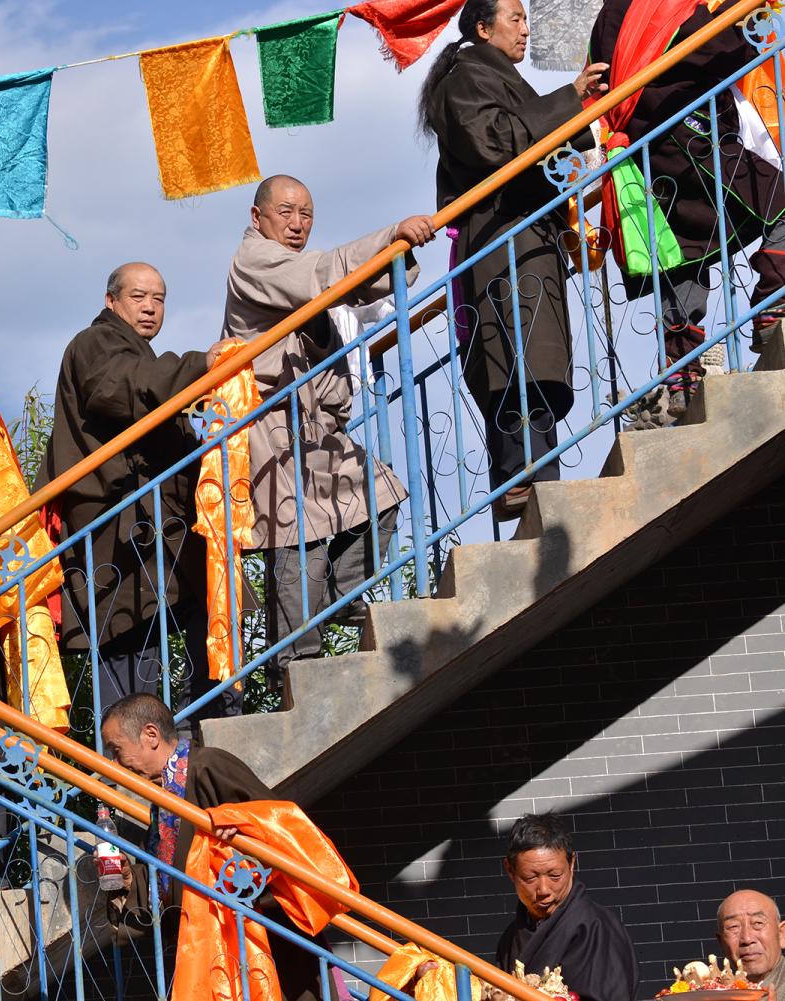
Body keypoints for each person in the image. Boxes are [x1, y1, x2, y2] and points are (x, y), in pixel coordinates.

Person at [223, 174, 434, 705]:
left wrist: (399, 254)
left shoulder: (301, 271)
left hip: (320, 431)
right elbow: (324, 275)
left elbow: (353, 284)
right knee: (298, 542)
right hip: (272, 428)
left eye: (307, 215)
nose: (297, 224)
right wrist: (391, 234)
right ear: (258, 218)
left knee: (382, 494)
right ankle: (296, 662)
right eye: (287, 213)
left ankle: (345, 596)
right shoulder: (254, 261)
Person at [420, 0, 609, 519]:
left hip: (526, 237)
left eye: (527, 18)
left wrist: (583, 109)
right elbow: (492, 143)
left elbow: (535, 139)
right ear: (483, 28)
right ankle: (521, 478)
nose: (527, 30)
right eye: (515, 19)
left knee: (535, 359)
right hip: (501, 240)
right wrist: (566, 98)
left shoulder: (492, 76)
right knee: (515, 359)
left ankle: (531, 475)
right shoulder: (466, 78)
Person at [40, 263, 241, 723]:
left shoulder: (140, 354)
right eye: (139, 296)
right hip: (119, 531)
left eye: (160, 298)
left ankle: (202, 733)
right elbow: (118, 387)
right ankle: (125, 778)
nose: (151, 307)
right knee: (130, 649)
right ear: (111, 301)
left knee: (199, 619)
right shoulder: (95, 344)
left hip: (160, 525)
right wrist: (199, 364)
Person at [589, 0, 785, 416]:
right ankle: (773, 305)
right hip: (690, 135)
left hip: (648, 152)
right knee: (776, 199)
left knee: (681, 253)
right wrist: (746, 12)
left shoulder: (610, 14)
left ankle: (681, 373)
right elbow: (705, 44)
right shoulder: (652, 4)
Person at [99, 693, 325, 1001]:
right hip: (217, 952)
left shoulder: (207, 766)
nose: (115, 763)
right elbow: (175, 872)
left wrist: (243, 824)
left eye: (116, 749)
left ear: (150, 735)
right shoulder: (165, 794)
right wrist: (129, 880)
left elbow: (282, 829)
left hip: (262, 946)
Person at [494, 813, 638, 1001]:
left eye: (554, 875)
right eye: (530, 878)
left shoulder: (596, 927)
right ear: (510, 870)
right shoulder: (511, 936)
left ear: (571, 864)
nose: (543, 890)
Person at [716, 889, 785, 996]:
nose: (747, 939)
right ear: (721, 943)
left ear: (781, 935)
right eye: (733, 926)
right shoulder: (714, 994)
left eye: (758, 923)